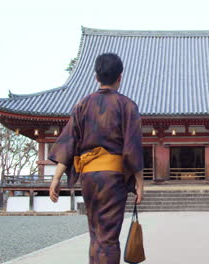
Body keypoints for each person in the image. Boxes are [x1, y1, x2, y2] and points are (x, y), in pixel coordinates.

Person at [48, 53, 144, 264]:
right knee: (108, 238)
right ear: (120, 77)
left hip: (89, 177)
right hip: (113, 178)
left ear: (96, 76)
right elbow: (132, 147)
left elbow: (68, 141)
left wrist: (56, 178)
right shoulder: (127, 105)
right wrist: (139, 182)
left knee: (96, 236)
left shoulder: (82, 105)